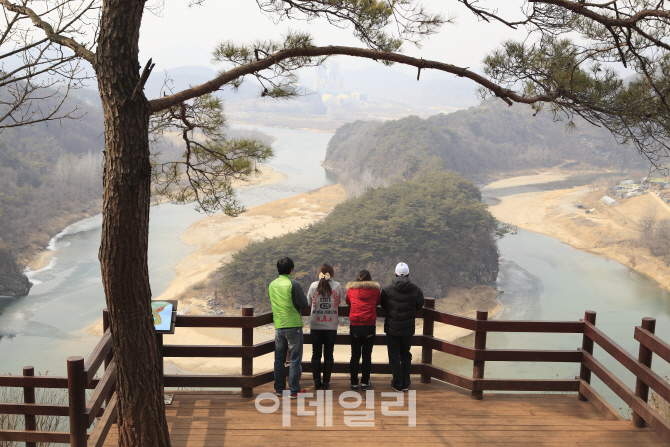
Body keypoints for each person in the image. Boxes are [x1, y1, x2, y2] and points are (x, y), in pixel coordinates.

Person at [380, 262, 424, 392]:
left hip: (392, 328)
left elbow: (383, 305)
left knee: (394, 355)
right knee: (405, 354)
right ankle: (406, 383)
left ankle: (397, 383)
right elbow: (419, 305)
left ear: (395, 274)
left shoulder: (387, 289)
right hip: (408, 328)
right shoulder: (416, 289)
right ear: (408, 274)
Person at [269, 257, 308, 398]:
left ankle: (279, 389)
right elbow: (303, 303)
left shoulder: (272, 284)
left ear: (278, 269)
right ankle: (294, 390)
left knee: (279, 359)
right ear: (291, 270)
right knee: (295, 359)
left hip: (279, 325)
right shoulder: (293, 283)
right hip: (293, 325)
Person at [308, 263, 341, 390]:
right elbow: (338, 302)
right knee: (329, 354)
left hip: (315, 324)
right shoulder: (337, 286)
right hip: (331, 325)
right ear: (331, 273)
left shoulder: (313, 286)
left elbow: (309, 302)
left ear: (319, 273)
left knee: (315, 354)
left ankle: (317, 382)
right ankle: (326, 382)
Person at [346, 269, 380, 391]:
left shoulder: (351, 290)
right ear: (370, 280)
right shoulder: (375, 290)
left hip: (355, 326)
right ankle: (365, 382)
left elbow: (348, 301)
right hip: (369, 326)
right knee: (367, 356)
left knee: (354, 356)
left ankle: (354, 383)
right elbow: (378, 302)